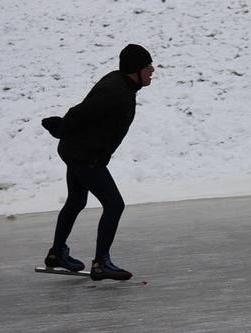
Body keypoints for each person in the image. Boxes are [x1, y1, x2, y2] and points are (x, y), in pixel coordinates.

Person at [41, 44, 154, 281]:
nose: (152, 69)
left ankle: (56, 254)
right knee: (114, 205)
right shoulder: (116, 91)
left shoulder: (122, 84)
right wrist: (61, 128)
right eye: (147, 66)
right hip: (83, 154)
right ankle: (101, 262)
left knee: (76, 200)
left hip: (78, 150)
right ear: (135, 70)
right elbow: (82, 112)